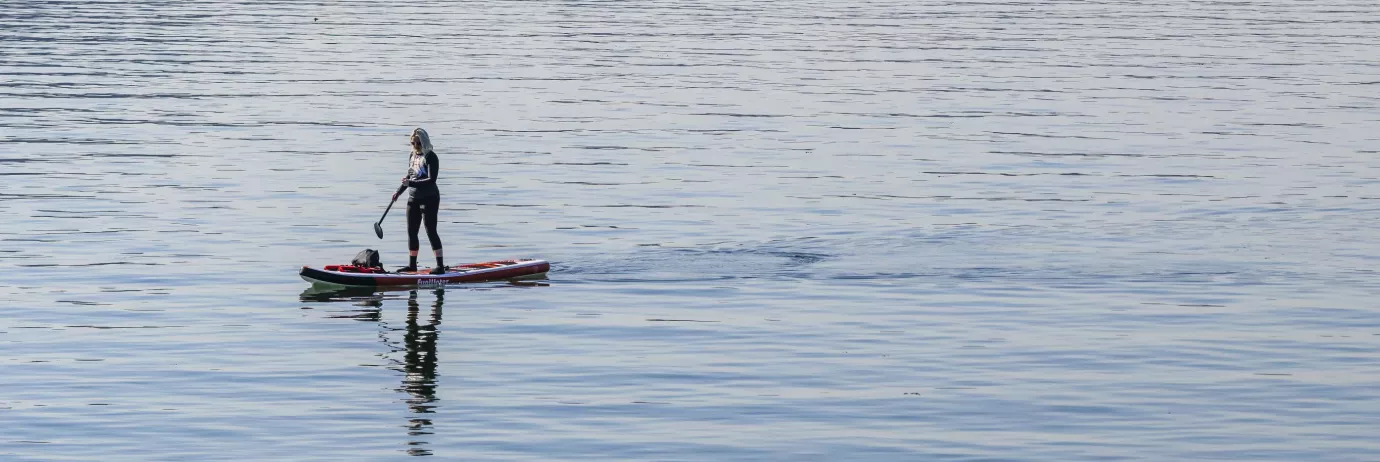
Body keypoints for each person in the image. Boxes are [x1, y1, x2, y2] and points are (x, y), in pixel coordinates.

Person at [392, 128, 446, 274]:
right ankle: (412, 265)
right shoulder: (412, 155)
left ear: (424, 141)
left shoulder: (431, 157)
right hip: (413, 198)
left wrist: (411, 184)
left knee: (430, 231)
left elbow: (431, 180)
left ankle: (440, 266)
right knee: (411, 231)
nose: (415, 145)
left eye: (418, 142)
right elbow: (409, 177)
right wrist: (398, 191)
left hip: (430, 198)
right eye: (413, 142)